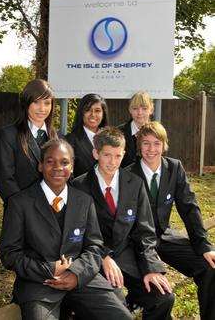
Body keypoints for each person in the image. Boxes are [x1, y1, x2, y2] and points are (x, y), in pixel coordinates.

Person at [0, 138, 132, 320]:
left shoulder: (84, 201)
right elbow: (9, 254)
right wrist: (48, 269)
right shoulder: (19, 203)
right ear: (40, 166)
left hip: (82, 281)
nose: (57, 168)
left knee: (121, 317)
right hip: (39, 284)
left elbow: (94, 247)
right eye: (50, 161)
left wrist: (76, 274)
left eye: (64, 162)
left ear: (72, 166)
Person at [73, 127, 174, 320]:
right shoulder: (79, 186)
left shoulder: (135, 183)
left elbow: (145, 232)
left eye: (118, 156)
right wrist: (103, 256)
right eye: (107, 155)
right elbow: (78, 233)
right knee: (115, 308)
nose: (112, 162)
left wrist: (151, 269)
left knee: (163, 297)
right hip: (96, 261)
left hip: (130, 258)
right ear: (96, 153)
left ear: (124, 154)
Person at [128, 121, 215, 320]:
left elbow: (189, 208)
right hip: (137, 243)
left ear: (164, 145)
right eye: (146, 143)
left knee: (210, 267)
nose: (151, 149)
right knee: (161, 295)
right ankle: (136, 300)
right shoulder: (128, 175)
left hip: (165, 237)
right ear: (139, 145)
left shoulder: (174, 168)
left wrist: (204, 246)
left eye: (156, 143)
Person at [0, 79, 57, 206]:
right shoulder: (8, 135)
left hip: (54, 215)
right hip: (21, 215)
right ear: (26, 102)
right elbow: (5, 181)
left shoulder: (59, 139)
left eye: (47, 103)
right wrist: (28, 209)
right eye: (36, 102)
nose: (42, 108)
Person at [65, 93, 109, 178]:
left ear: (103, 114)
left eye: (97, 111)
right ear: (81, 113)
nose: (93, 114)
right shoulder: (69, 141)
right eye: (88, 110)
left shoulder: (111, 138)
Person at [119, 91, 153, 167]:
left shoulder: (158, 133)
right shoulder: (119, 133)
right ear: (130, 110)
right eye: (135, 108)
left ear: (151, 110)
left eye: (144, 108)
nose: (140, 112)